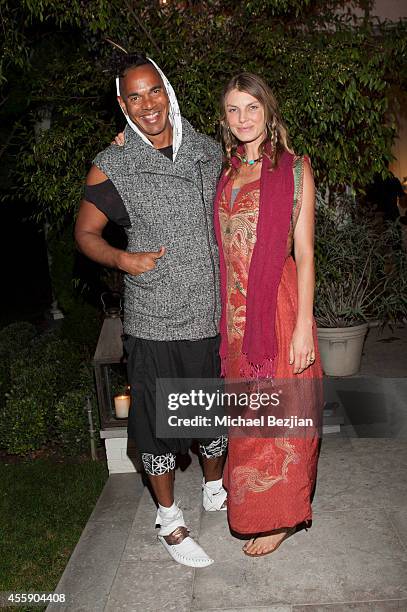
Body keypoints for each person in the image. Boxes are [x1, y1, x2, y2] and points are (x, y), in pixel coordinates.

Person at [74, 53, 227, 568]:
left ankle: (215, 489)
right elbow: (85, 234)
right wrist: (122, 258)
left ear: (168, 91)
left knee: (208, 414)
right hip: (154, 318)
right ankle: (168, 518)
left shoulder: (208, 151)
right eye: (134, 96)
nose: (147, 105)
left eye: (153, 91)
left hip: (209, 313)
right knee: (158, 424)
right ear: (122, 104)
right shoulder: (112, 163)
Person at [213, 73, 323, 556]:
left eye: (251, 108)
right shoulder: (227, 172)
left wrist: (303, 326)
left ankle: (283, 516)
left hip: (278, 310)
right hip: (236, 319)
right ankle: (257, 509)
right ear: (224, 119)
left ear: (268, 111)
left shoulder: (295, 169)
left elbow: (304, 252)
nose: (243, 118)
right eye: (234, 110)